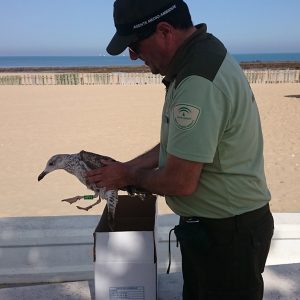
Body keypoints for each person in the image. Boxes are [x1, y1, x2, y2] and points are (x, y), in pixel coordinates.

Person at [87, 0, 274, 299]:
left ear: (164, 31)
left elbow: (180, 181)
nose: (133, 57)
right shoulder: (202, 52)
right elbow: (183, 143)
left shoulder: (197, 81)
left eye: (134, 45)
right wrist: (124, 168)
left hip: (228, 236)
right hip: (219, 229)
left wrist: (128, 176)